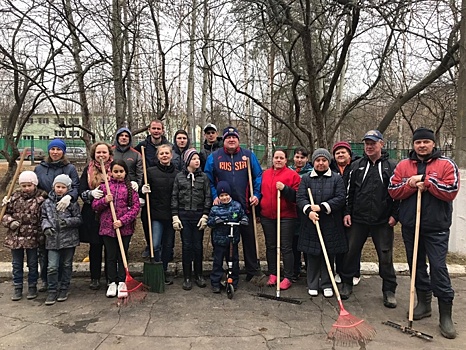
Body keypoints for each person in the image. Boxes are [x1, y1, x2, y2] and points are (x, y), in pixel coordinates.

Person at [388, 127, 460, 339]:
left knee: (438, 267)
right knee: (416, 265)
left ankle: (445, 313)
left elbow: (450, 191)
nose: (422, 146)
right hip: (411, 225)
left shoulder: (446, 164)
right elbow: (393, 190)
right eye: (418, 142)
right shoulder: (403, 165)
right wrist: (411, 184)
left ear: (433, 144)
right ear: (413, 145)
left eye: (426, 142)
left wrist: (427, 181)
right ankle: (423, 303)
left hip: (436, 227)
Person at [339, 130, 399, 308]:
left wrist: (395, 215)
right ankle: (347, 283)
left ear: (381, 143)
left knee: (385, 255)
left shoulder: (391, 166)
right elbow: (349, 192)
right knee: (350, 252)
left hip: (383, 221)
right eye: (366, 143)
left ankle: (389, 290)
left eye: (373, 143)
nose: (369, 146)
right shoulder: (356, 166)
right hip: (358, 219)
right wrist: (347, 212)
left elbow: (397, 194)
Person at [204, 126, 262, 281]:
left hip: (245, 207)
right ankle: (221, 272)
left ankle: (252, 271)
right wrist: (215, 195)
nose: (231, 140)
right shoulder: (214, 157)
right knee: (224, 243)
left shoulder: (248, 155)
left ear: (238, 140)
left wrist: (256, 194)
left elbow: (258, 176)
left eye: (234, 137)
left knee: (249, 240)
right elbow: (208, 179)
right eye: (228, 137)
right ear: (223, 140)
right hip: (223, 209)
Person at [296, 148, 347, 298]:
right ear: (314, 162)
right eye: (318, 160)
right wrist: (309, 211)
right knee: (312, 255)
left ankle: (326, 283)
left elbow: (340, 198)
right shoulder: (306, 178)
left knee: (328, 255)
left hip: (330, 223)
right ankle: (312, 283)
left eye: (324, 160)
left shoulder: (336, 178)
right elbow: (300, 198)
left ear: (328, 162)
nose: (320, 163)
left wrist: (322, 207)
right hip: (311, 223)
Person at [34, 138, 80, 292]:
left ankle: (61, 282)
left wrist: (70, 197)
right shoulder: (40, 168)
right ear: (49, 150)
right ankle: (46, 281)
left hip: (64, 206)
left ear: (63, 151)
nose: (55, 152)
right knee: (45, 251)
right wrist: (42, 198)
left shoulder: (69, 168)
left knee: (63, 254)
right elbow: (34, 187)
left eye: (58, 149)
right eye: (52, 149)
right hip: (45, 208)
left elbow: (75, 186)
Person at [92, 160, 140, 298]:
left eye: (121, 171)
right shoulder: (104, 187)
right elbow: (95, 206)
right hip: (107, 227)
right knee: (110, 255)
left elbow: (135, 208)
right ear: (110, 172)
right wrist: (104, 201)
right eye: (116, 171)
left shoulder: (130, 188)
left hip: (124, 228)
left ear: (125, 173)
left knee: (122, 254)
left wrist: (122, 221)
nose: (118, 174)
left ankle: (122, 281)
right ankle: (111, 281)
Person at [1, 171, 47, 301]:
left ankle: (32, 286)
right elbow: (5, 214)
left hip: (33, 237)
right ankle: (18, 287)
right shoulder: (13, 198)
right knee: (16, 264)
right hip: (15, 238)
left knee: (32, 263)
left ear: (34, 185)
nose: (26, 188)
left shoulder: (40, 200)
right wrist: (10, 222)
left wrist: (41, 235)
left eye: (29, 185)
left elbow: (42, 219)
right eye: (23, 185)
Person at [171, 148, 212, 290]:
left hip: (198, 215)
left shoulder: (204, 177)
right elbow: (175, 196)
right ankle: (187, 276)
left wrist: (205, 214)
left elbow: (208, 196)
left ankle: (199, 274)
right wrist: (175, 215)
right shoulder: (179, 177)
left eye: (198, 159)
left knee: (198, 246)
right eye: (194, 159)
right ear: (188, 161)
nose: (197, 161)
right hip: (184, 216)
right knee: (187, 246)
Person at [260, 149, 301, 290]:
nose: (278, 160)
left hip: (286, 217)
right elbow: (261, 192)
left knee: (286, 247)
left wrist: (285, 189)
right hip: (267, 216)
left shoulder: (293, 175)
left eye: (281, 158)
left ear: (285, 160)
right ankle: (273, 273)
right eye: (276, 157)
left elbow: (297, 197)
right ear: (272, 159)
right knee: (271, 246)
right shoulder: (265, 174)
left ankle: (288, 276)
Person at [140, 144, 179, 285]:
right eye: (161, 153)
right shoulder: (150, 172)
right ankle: (155, 267)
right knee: (155, 244)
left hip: (170, 214)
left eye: (167, 153)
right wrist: (142, 190)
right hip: (155, 214)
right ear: (157, 156)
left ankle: (163, 271)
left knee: (168, 246)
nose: (164, 155)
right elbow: (141, 191)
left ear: (171, 155)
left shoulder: (177, 173)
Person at [41, 174, 82, 305]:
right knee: (52, 266)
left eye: (63, 187)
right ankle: (52, 290)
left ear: (68, 189)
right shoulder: (47, 203)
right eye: (58, 186)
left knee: (66, 264)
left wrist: (66, 222)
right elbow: (43, 218)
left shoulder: (72, 203)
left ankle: (64, 288)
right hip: (52, 239)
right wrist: (46, 227)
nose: (60, 189)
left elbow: (79, 219)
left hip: (68, 239)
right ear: (53, 187)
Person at [135, 119, 174, 258]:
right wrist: (141, 190)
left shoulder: (169, 146)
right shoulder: (142, 146)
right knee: (149, 226)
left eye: (159, 128)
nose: (156, 131)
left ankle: (167, 253)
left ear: (162, 130)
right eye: (154, 128)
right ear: (149, 130)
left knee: (168, 238)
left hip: (168, 203)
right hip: (151, 196)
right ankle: (150, 247)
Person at [79, 142, 113, 290]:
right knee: (95, 246)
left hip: (110, 213)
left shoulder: (115, 167)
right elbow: (81, 190)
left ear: (109, 154)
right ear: (94, 154)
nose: (101, 155)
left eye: (104, 152)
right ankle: (95, 277)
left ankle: (110, 277)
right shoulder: (88, 170)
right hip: (92, 214)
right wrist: (90, 194)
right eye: (98, 152)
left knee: (110, 246)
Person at [330, 141, 361, 286]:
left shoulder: (356, 167)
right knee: (338, 241)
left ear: (349, 154)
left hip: (353, 210)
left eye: (343, 152)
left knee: (353, 243)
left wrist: (350, 210)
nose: (340, 155)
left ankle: (354, 271)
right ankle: (339, 270)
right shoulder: (331, 168)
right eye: (337, 153)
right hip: (335, 210)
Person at [207, 181, 248, 293]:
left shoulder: (236, 206)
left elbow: (243, 215)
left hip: (232, 240)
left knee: (233, 261)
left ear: (230, 195)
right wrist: (216, 221)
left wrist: (244, 220)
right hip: (219, 240)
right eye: (221, 196)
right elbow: (209, 222)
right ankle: (216, 282)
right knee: (217, 262)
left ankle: (233, 281)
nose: (224, 198)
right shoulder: (215, 209)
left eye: (226, 195)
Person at [289, 146, 313, 281]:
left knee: (307, 241)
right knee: (294, 241)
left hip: (306, 211)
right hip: (291, 211)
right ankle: (295, 269)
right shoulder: (289, 171)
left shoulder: (311, 173)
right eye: (297, 157)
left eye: (302, 157)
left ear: (307, 159)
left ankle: (310, 269)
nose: (299, 160)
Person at [112, 127, 143, 191]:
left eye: (126, 136)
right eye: (121, 135)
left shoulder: (136, 154)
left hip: (130, 188)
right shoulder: (110, 152)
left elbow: (140, 174)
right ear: (117, 137)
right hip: (112, 188)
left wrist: (137, 185)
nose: (124, 138)